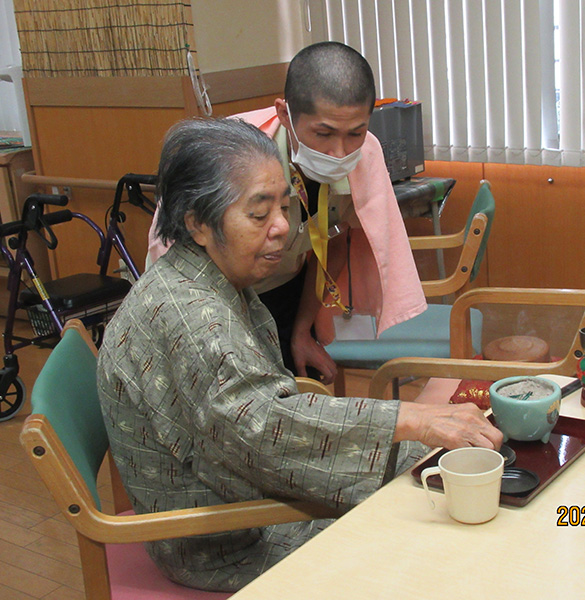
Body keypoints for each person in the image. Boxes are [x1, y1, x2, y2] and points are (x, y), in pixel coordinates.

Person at [99, 117, 503, 592]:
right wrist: (413, 420)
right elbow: (268, 431)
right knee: (425, 535)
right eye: (258, 214)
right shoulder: (196, 320)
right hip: (221, 538)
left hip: (235, 484)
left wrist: (416, 433)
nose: (283, 228)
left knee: (427, 470)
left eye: (286, 208)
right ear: (198, 223)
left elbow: (258, 418)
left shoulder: (200, 277)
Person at [147, 42, 426, 383]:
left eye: (355, 132)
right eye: (323, 133)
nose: (339, 152)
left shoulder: (363, 153)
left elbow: (336, 239)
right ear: (284, 114)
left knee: (296, 385)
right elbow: (188, 269)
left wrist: (302, 330)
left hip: (287, 290)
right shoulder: (229, 159)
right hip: (214, 300)